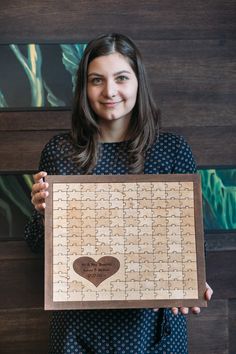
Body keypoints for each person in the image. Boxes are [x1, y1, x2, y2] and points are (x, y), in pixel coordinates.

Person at [25, 33, 213, 354]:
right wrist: (44, 216)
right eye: (97, 80)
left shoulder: (170, 150)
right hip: (78, 327)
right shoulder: (60, 152)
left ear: (138, 82)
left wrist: (190, 281)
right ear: (84, 87)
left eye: (121, 78)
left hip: (152, 328)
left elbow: (189, 238)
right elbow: (38, 247)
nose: (109, 91)